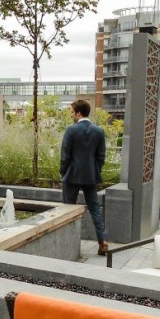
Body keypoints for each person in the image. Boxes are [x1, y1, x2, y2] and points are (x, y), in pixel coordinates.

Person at [60, 99, 108, 255]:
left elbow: (65, 155)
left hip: (72, 175)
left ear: (78, 113)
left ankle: (68, 242)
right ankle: (103, 241)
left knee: (68, 209)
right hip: (90, 176)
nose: (71, 115)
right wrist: (94, 170)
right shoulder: (99, 131)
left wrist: (63, 172)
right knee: (95, 209)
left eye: (72, 112)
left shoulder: (71, 130)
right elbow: (101, 156)